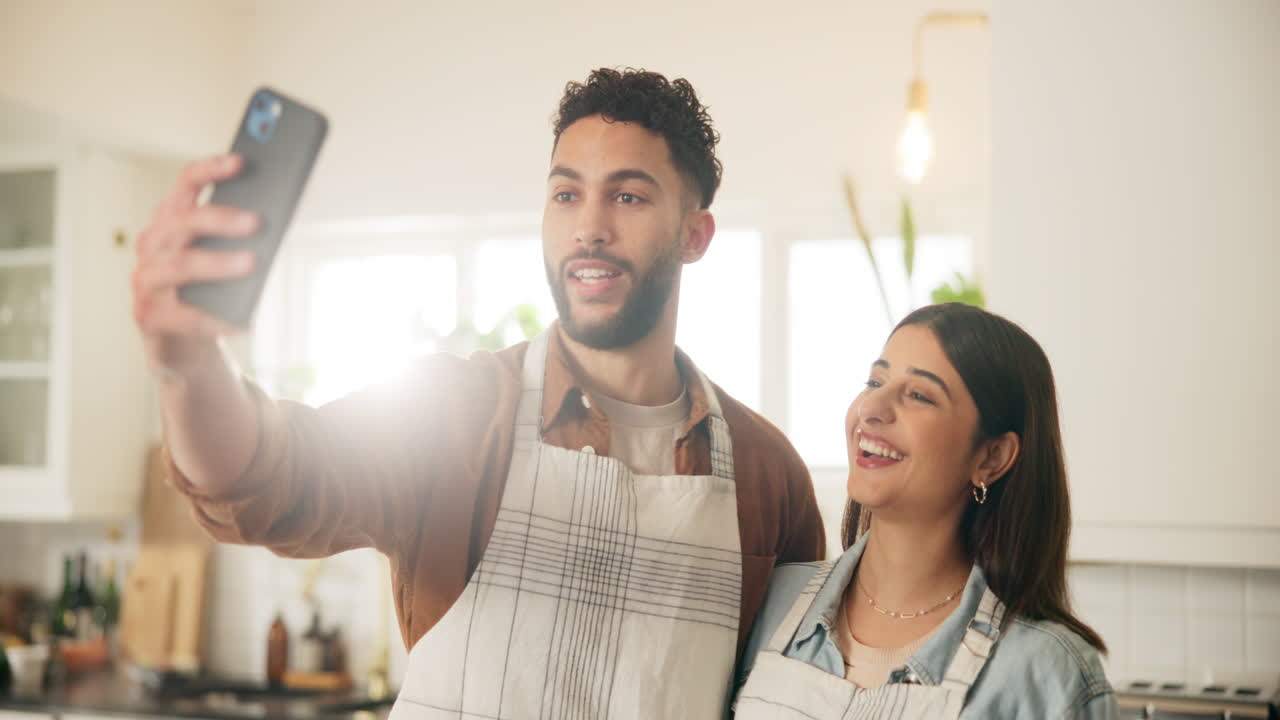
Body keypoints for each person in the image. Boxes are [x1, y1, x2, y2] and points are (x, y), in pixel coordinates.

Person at [130, 68, 825, 718]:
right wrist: (188, 367)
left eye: (628, 195)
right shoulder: (452, 412)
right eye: (566, 193)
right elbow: (267, 479)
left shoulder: (770, 479)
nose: (588, 226)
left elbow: (788, 700)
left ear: (694, 235)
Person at [734, 303, 1118, 719]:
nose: (871, 409)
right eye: (874, 381)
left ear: (991, 457)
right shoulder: (767, 602)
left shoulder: (1048, 674)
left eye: (918, 395)